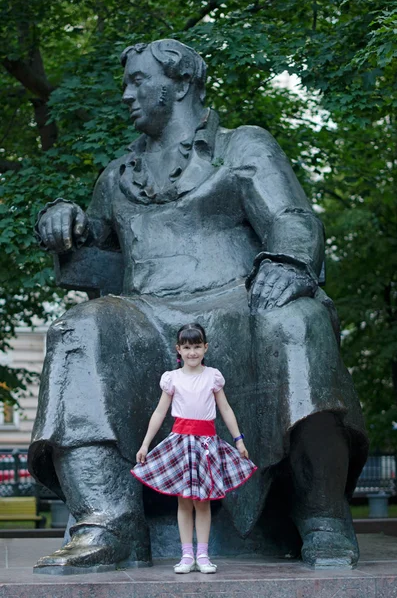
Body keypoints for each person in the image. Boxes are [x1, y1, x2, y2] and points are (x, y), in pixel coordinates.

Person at [28, 38, 368, 574]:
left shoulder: (243, 147)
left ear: (181, 83)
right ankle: (107, 520)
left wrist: (287, 262)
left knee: (296, 322)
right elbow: (94, 247)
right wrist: (63, 220)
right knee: (79, 329)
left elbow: (292, 219)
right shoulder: (118, 176)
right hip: (146, 315)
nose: (125, 95)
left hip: (240, 300)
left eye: (138, 80)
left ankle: (322, 515)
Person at [131, 322, 257, 574]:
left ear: (205, 348)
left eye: (197, 346)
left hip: (207, 444)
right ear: (178, 349)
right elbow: (159, 412)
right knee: (185, 502)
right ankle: (186, 555)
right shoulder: (172, 379)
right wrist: (145, 443)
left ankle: (203, 555)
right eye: (187, 347)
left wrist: (239, 440)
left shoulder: (213, 376)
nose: (192, 352)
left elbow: (226, 409)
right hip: (181, 443)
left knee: (203, 502)